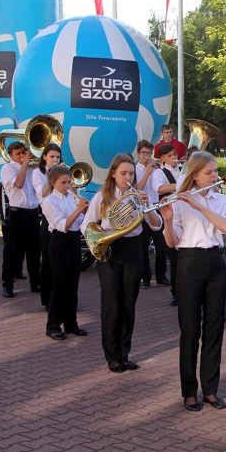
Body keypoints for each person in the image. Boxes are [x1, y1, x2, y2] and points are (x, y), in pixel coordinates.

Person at [161, 152, 226, 412]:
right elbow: (172, 242)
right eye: (209, 173)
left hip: (216, 262)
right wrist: (168, 219)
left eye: (215, 171)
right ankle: (189, 392)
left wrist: (200, 206)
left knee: (214, 328)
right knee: (190, 330)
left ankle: (210, 390)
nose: (215, 176)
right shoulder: (177, 202)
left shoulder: (221, 199)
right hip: (189, 262)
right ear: (195, 175)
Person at [81, 153, 163, 373]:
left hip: (133, 248)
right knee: (112, 305)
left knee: (128, 304)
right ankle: (112, 356)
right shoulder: (103, 196)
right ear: (113, 173)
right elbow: (86, 226)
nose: (128, 177)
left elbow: (156, 225)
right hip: (110, 249)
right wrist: (101, 239)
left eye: (131, 173)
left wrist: (148, 207)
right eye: (123, 173)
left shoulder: (139, 196)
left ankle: (124, 354)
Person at [40, 165, 89, 340]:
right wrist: (78, 210)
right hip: (59, 242)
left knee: (72, 285)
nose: (67, 186)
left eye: (69, 182)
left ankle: (71, 324)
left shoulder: (71, 197)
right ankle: (53, 326)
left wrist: (86, 211)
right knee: (60, 284)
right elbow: (62, 225)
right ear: (53, 182)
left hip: (74, 240)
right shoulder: (49, 201)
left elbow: (80, 221)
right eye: (63, 182)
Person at [0, 141, 41, 298]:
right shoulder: (7, 168)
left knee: (35, 251)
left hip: (33, 214)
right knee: (12, 251)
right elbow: (18, 183)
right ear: (10, 155)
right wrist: (24, 166)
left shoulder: (32, 168)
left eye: (24, 152)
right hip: (17, 214)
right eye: (18, 154)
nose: (23, 156)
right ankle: (7, 284)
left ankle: (35, 282)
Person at [135, 140, 170, 290]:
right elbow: (136, 189)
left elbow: (165, 185)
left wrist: (158, 170)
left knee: (161, 246)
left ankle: (161, 276)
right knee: (142, 246)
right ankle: (146, 277)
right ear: (138, 154)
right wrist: (147, 172)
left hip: (156, 207)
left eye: (149, 153)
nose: (147, 156)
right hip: (142, 209)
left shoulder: (156, 170)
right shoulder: (135, 170)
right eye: (144, 153)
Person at [32, 143, 63, 310]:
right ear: (44, 157)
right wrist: (53, 176)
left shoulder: (62, 171)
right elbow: (42, 192)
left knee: (61, 262)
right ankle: (47, 299)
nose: (55, 160)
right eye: (52, 157)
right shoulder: (37, 173)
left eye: (57, 157)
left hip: (62, 218)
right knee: (48, 260)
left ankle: (61, 298)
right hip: (47, 218)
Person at [152, 143, 183, 304]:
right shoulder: (159, 172)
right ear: (162, 158)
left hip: (184, 213)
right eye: (170, 156)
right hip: (169, 214)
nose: (174, 158)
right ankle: (176, 292)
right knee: (174, 255)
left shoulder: (180, 171)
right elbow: (159, 189)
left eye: (174, 154)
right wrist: (181, 184)